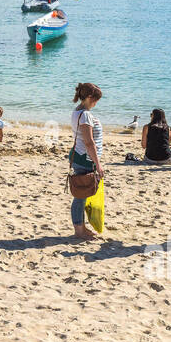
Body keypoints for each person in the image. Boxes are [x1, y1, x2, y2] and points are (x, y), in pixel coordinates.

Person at [68, 82, 104, 241]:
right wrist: (98, 164)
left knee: (82, 194)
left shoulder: (78, 111)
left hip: (80, 156)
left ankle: (82, 227)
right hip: (84, 158)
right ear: (89, 97)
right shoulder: (85, 115)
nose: (96, 103)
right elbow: (89, 142)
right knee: (80, 195)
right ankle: (79, 231)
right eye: (96, 99)